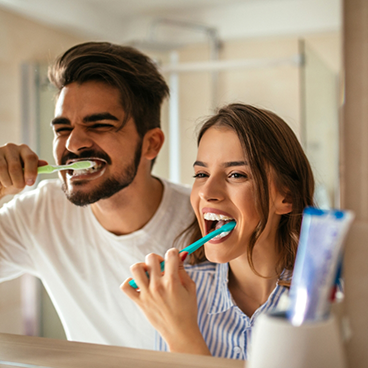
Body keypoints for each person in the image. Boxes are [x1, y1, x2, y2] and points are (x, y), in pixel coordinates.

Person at [0, 42, 194, 349]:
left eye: (100, 124)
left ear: (151, 144)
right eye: (62, 129)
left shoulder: (204, 224)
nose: (73, 143)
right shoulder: (41, 211)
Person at [121, 103, 315, 359]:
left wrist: (182, 335)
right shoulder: (175, 296)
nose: (207, 192)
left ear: (286, 196)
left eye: (236, 175)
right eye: (201, 174)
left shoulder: (326, 298)